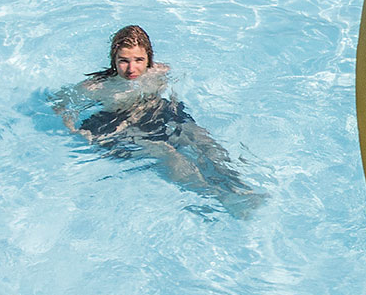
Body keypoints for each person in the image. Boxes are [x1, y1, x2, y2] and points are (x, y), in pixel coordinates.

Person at [55, 25, 263, 215]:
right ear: (114, 60)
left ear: (149, 58)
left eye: (139, 60)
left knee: (202, 140)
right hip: (120, 126)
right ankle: (220, 198)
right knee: (168, 154)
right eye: (123, 61)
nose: (131, 69)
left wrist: (173, 102)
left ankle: (239, 186)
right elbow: (59, 103)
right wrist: (74, 130)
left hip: (157, 113)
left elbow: (174, 85)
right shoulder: (97, 87)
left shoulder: (159, 71)